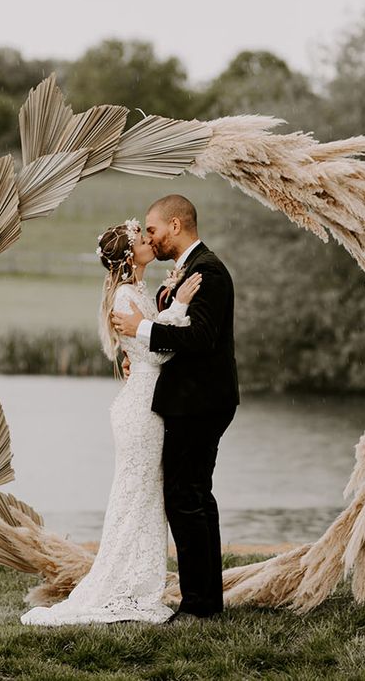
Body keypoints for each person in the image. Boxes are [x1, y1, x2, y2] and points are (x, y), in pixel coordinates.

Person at [20, 218, 202, 626]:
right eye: (141, 238)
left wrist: (168, 303)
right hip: (142, 410)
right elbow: (154, 353)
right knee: (136, 498)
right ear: (128, 255)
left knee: (144, 498)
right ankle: (124, 589)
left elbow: (144, 340)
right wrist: (181, 306)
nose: (148, 242)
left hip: (148, 402)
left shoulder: (136, 291)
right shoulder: (124, 297)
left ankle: (139, 585)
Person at [112, 194, 239, 621]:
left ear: (176, 226)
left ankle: (199, 606)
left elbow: (200, 339)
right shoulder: (188, 271)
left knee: (187, 498)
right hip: (190, 400)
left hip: (200, 402)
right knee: (192, 497)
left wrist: (141, 328)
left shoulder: (210, 274)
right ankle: (205, 602)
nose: (150, 237)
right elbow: (173, 336)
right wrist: (136, 348)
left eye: (153, 229)